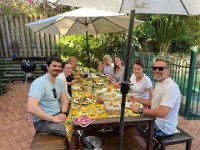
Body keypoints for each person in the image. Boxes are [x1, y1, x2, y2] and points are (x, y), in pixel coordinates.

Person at [128, 58, 181, 149]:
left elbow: (162, 113)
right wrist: (136, 100)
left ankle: (150, 147)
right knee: (130, 122)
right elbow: (152, 102)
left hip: (164, 127)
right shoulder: (159, 83)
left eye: (160, 68)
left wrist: (140, 110)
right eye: (155, 68)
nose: (157, 70)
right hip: (155, 120)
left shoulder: (171, 87)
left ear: (168, 71)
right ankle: (148, 143)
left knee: (129, 128)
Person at [27, 56, 70, 137]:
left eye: (59, 66)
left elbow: (64, 100)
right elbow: (31, 107)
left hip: (57, 114)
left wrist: (63, 112)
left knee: (79, 117)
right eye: (54, 66)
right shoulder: (39, 83)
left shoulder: (60, 81)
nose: (57, 68)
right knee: (71, 129)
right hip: (43, 121)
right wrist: (53, 119)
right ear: (47, 66)